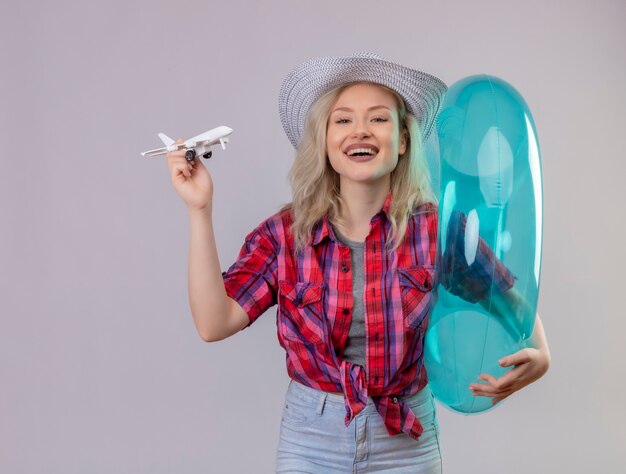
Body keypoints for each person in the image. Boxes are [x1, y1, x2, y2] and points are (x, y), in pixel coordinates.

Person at [165, 52, 551, 473]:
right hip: (311, 440)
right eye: (343, 119)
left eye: (379, 119)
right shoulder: (284, 235)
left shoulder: (435, 230)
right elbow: (213, 322)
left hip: (407, 441)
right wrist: (199, 210)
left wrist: (542, 353)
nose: (360, 131)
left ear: (403, 140)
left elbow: (507, 296)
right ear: (325, 140)